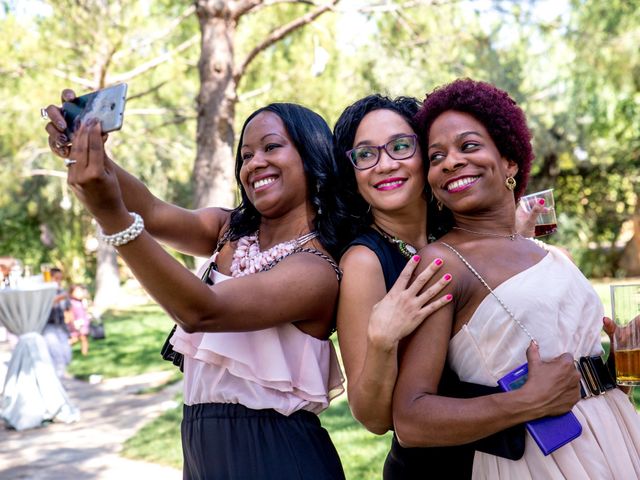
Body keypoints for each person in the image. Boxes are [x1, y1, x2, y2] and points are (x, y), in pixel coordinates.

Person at [44, 98, 348, 479]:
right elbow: (152, 212)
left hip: (276, 456)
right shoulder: (229, 230)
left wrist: (113, 220)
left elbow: (202, 311)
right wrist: (89, 151)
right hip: (201, 450)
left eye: (271, 147)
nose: (254, 163)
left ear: (312, 155)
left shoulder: (315, 269)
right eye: (246, 155)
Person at [392, 78, 640, 478]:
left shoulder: (553, 255)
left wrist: (618, 368)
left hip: (616, 438)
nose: (451, 161)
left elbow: (572, 382)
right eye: (436, 157)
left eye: (469, 146)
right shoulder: (443, 264)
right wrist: (525, 403)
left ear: (510, 161)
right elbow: (411, 419)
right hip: (538, 462)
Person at [332, 94, 582, 478]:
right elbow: (373, 419)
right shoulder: (366, 261)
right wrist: (382, 341)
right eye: (366, 155)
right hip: (434, 466)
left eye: (400, 146)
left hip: (504, 454)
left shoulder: (451, 238)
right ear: (353, 171)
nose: (385, 164)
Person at [42, 267, 72, 378]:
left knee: (67, 356)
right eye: (56, 278)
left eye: (60, 278)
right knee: (57, 355)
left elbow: (68, 309)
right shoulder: (44, 292)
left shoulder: (62, 291)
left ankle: (58, 377)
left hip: (61, 326)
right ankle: (58, 381)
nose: (58, 281)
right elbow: (45, 305)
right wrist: (58, 298)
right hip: (48, 327)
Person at [67, 284, 91, 356]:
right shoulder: (71, 302)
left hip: (83, 322)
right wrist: (73, 323)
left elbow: (85, 311)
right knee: (75, 338)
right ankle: (64, 348)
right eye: (77, 291)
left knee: (84, 338)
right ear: (71, 293)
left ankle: (85, 354)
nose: (80, 293)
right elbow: (70, 314)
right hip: (76, 323)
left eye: (80, 291)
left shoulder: (82, 301)